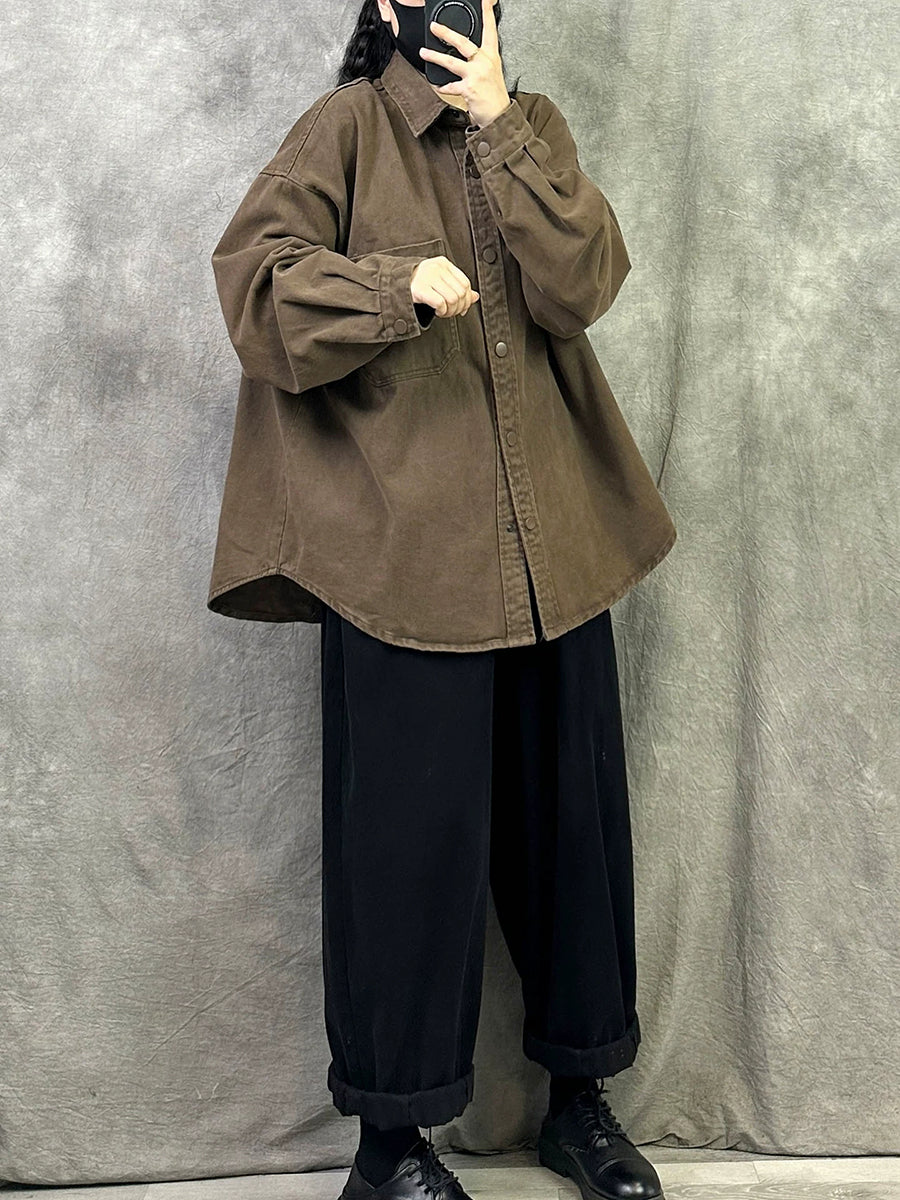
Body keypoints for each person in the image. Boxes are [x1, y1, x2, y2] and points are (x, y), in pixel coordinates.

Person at [207, 1, 676, 1197]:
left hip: (555, 548)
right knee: (405, 856)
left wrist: (503, 126)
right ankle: (391, 1150)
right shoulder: (345, 129)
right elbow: (255, 288)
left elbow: (585, 284)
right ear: (384, 5)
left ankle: (581, 1105)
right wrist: (392, 286)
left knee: (575, 839)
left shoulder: (535, 127)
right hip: (401, 560)